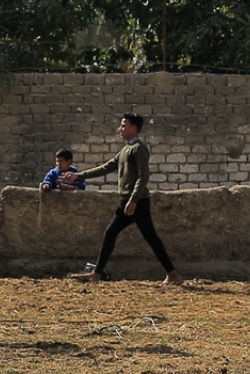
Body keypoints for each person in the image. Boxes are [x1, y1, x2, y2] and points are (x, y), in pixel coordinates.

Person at [65, 114, 183, 285]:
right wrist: (79, 175)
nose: (120, 129)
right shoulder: (126, 149)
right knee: (145, 237)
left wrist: (133, 200)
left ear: (133, 128)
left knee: (115, 233)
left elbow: (143, 176)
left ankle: (97, 274)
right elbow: (107, 167)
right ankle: (172, 274)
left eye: (123, 126)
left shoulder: (139, 148)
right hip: (129, 200)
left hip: (136, 202)